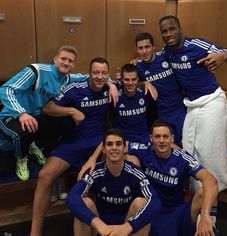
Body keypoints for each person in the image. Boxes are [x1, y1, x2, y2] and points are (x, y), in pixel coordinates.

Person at [30, 57, 113, 236]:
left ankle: (107, 225)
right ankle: (35, 232)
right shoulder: (75, 89)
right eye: (95, 72)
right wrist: (71, 110)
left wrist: (115, 85)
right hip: (72, 143)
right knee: (45, 175)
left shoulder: (111, 89)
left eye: (104, 73)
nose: (100, 77)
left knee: (105, 179)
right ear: (89, 73)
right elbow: (47, 108)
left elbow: (132, 82)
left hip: (98, 145)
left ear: (108, 74)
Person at [158, 15, 227, 192]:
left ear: (180, 29)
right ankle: (198, 195)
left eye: (172, 29)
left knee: (209, 154)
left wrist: (224, 55)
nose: (169, 33)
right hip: (192, 105)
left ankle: (214, 194)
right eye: (164, 31)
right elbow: (151, 61)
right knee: (190, 150)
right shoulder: (167, 51)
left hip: (212, 102)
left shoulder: (197, 45)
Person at [0, 45, 89, 181]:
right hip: (11, 116)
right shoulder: (36, 70)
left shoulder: (67, 79)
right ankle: (22, 158)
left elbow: (90, 77)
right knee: (23, 132)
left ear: (73, 65)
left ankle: (32, 144)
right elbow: (6, 89)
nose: (66, 63)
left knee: (67, 121)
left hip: (35, 118)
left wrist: (111, 84)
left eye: (70, 61)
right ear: (55, 59)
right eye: (63, 59)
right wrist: (21, 114)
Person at [128, 120, 219, 236]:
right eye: (157, 136)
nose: (161, 141)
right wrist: (96, 159)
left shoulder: (182, 158)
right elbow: (118, 144)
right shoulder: (144, 150)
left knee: (206, 192)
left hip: (176, 212)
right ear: (151, 138)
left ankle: (209, 227)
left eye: (165, 136)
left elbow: (211, 180)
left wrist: (205, 215)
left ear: (172, 138)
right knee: (138, 202)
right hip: (151, 209)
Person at [66, 128, 160, 236]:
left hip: (127, 228)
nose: (114, 148)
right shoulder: (95, 171)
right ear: (103, 149)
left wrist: (128, 227)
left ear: (124, 148)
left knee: (141, 203)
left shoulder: (135, 172)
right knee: (85, 203)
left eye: (118, 144)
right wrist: (99, 224)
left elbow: (155, 201)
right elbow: (72, 197)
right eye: (110, 144)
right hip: (101, 228)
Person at [135, 32, 186, 146]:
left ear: (153, 47)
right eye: (140, 48)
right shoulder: (138, 66)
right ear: (137, 50)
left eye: (147, 47)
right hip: (162, 114)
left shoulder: (166, 56)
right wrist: (144, 83)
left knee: (185, 145)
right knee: (166, 147)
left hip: (180, 109)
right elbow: (129, 82)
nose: (144, 51)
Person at [111, 63, 155, 146]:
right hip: (124, 141)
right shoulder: (115, 95)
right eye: (127, 80)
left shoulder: (145, 93)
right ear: (121, 79)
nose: (130, 83)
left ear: (138, 79)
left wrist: (146, 82)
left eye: (134, 79)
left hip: (144, 138)